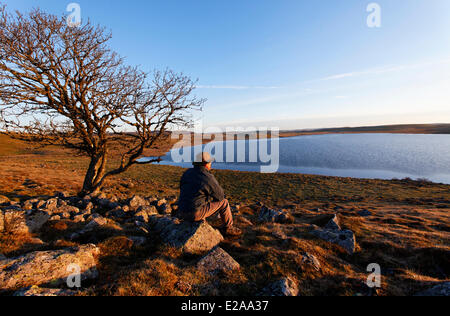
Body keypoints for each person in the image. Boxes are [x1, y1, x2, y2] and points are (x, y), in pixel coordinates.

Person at [177, 152, 242, 237]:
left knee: (197, 199)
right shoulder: (207, 177)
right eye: (210, 162)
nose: (211, 164)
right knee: (224, 202)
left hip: (181, 211)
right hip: (193, 213)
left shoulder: (187, 173)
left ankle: (200, 219)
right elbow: (220, 196)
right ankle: (228, 228)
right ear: (206, 164)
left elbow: (182, 188)